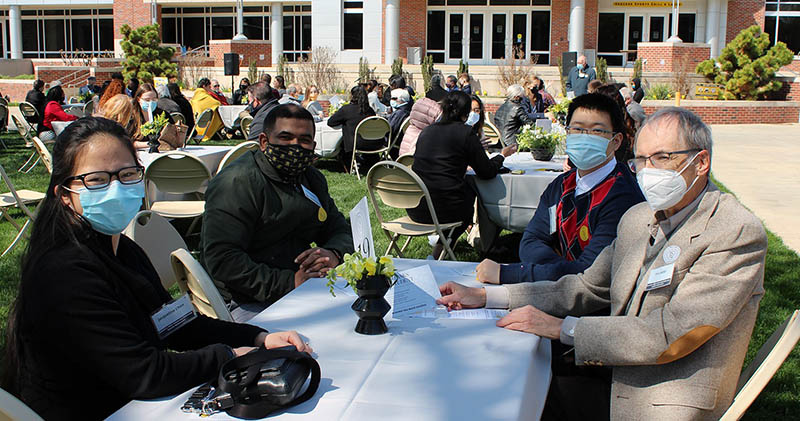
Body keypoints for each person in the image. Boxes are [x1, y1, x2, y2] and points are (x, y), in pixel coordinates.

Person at [437, 107, 767, 421]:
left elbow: (671, 335)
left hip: (661, 396)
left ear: (701, 162)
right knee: (502, 380)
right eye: (641, 160)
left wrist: (561, 328)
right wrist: (488, 297)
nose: (649, 170)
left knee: (517, 391)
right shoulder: (639, 218)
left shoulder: (734, 232)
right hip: (611, 367)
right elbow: (586, 287)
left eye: (663, 158)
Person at [2, 117, 311, 420]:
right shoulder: (65, 273)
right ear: (65, 195)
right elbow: (145, 374)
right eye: (96, 180)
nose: (116, 187)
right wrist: (229, 356)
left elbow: (174, 325)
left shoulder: (123, 249)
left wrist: (258, 337)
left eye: (127, 175)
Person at [201, 103, 354, 318]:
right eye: (285, 138)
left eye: (304, 140)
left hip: (303, 288)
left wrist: (334, 253)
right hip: (243, 298)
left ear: (313, 145)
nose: (295, 146)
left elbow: (339, 227)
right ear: (264, 142)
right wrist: (290, 282)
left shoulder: (311, 179)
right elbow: (223, 260)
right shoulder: (236, 183)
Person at [475, 93, 644, 285]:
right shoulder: (562, 184)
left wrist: (511, 274)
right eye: (577, 129)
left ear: (616, 140)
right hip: (558, 295)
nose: (584, 137)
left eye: (596, 131)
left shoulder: (623, 197)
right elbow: (530, 241)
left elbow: (590, 272)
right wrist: (564, 270)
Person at [408, 91, 517, 258]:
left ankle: (437, 253)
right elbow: (486, 172)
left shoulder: (427, 132)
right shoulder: (465, 133)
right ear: (465, 114)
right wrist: (502, 156)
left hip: (416, 207)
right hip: (446, 210)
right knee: (472, 195)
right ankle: (485, 245)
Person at [327, 85, 378, 172]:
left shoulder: (346, 110)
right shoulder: (370, 110)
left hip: (355, 144)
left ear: (352, 96)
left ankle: (350, 165)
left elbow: (331, 122)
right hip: (373, 142)